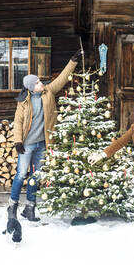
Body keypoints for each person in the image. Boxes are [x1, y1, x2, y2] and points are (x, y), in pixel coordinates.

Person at [8, 49, 81, 222]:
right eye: (38, 83)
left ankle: (30, 208)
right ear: (31, 87)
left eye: (40, 81)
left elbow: (62, 78)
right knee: (20, 174)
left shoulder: (48, 92)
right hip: (27, 145)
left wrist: (73, 61)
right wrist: (18, 141)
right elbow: (18, 122)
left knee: (37, 176)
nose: (41, 83)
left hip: (42, 143)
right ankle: (12, 207)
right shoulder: (23, 102)